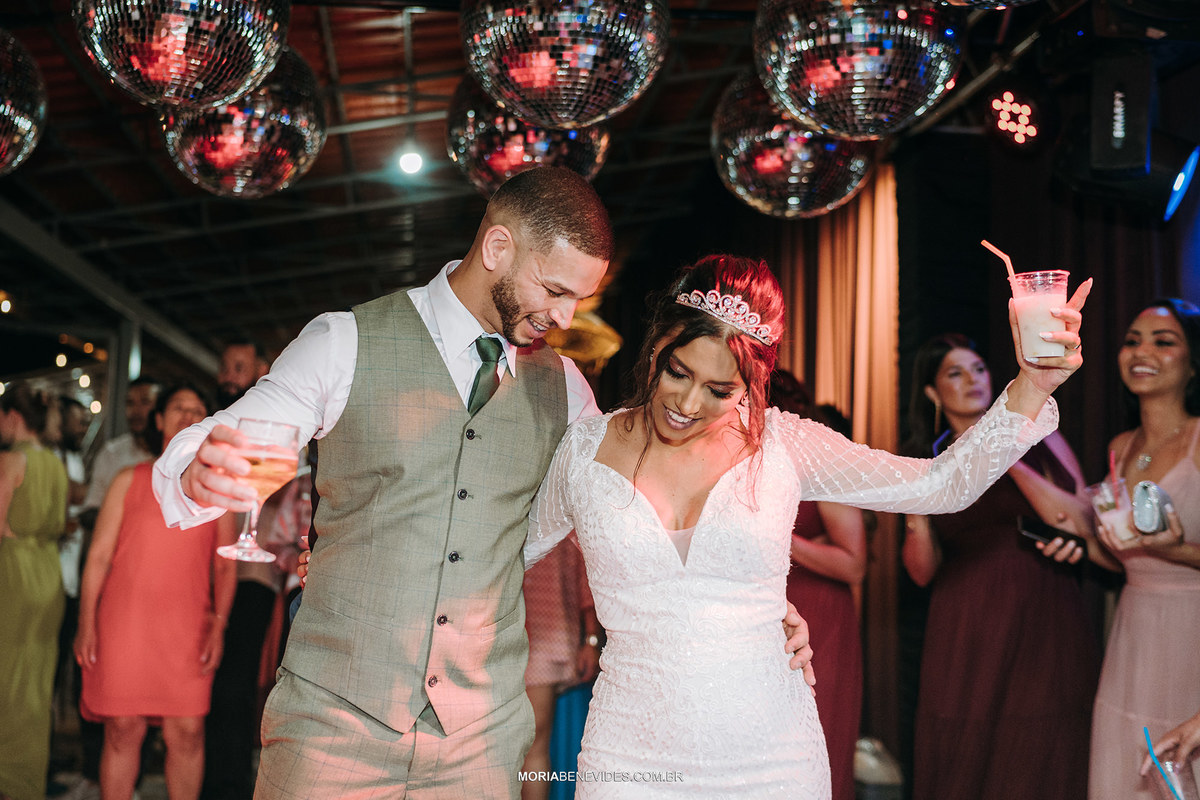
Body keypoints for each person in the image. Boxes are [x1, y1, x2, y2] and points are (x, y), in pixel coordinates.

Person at [524, 255, 1088, 797]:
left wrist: (1033, 386)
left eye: (720, 391)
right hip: (629, 756)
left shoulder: (784, 445)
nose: (688, 403)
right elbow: (506, 554)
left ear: (754, 381)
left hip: (772, 756)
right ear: (659, 343)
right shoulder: (584, 452)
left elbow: (939, 485)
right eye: (678, 371)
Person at [153, 167, 623, 798]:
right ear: (498, 249)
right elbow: (229, 435)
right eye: (555, 290)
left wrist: (750, 603)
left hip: (481, 744)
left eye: (578, 300)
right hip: (332, 728)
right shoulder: (343, 342)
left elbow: (626, 507)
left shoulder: (566, 390)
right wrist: (198, 470)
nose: (565, 318)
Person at [899, 333, 1103, 800]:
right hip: (967, 616)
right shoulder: (928, 458)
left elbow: (1080, 518)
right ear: (932, 392)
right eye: (955, 372)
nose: (972, 380)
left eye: (979, 368)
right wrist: (914, 511)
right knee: (969, 743)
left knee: (1045, 733)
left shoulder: (1039, 434)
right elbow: (921, 572)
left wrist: (1000, 448)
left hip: (1044, 605)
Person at [75, 383, 238, 800]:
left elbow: (225, 562)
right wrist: (85, 623)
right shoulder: (128, 479)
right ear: (160, 420)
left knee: (186, 731)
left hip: (187, 626)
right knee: (122, 729)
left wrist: (219, 625)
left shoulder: (217, 486)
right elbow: (97, 558)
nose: (188, 414)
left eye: (197, 409)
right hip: (124, 624)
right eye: (178, 407)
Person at [1087, 299, 1200, 800]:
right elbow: (1122, 555)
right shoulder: (1120, 445)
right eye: (1132, 340)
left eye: (1163, 340)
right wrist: (1085, 549)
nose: (1142, 351)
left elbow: (1171, 551)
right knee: (1120, 763)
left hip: (1190, 631)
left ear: (1193, 362)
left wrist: (1176, 553)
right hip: (1131, 634)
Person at [769, 369, 866, 800]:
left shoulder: (816, 461)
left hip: (819, 616)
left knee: (815, 742)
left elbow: (853, 563)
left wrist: (781, 539)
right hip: (761, 612)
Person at [201, 341, 279, 800]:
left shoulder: (274, 419)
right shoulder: (215, 422)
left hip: (251, 572)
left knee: (234, 683)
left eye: (238, 367)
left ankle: (227, 784)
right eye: (224, 367)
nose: (228, 376)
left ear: (261, 370)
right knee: (205, 678)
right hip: (203, 571)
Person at [0, 383, 68, 800]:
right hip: (48, 572)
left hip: (12, 572)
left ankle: (7, 779)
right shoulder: (57, 465)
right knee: (36, 682)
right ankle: (27, 782)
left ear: (13, 416)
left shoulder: (11, 459)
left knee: (7, 678)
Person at [519, 536, 601, 800]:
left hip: (546, 628)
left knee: (534, 739)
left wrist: (591, 638)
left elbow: (586, 577)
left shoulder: (566, 510)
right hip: (487, 630)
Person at [82, 377, 160, 518]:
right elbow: (91, 507)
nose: (136, 411)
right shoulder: (111, 452)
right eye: (130, 403)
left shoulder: (173, 455)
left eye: (145, 402)